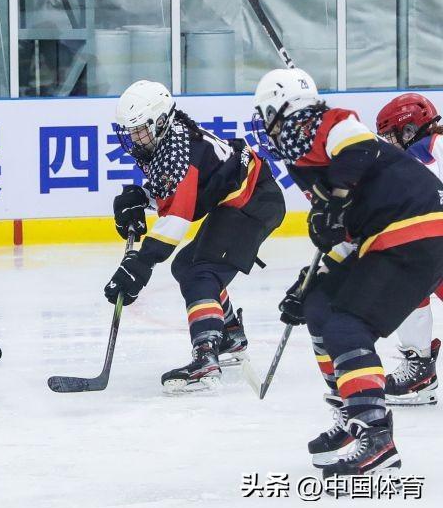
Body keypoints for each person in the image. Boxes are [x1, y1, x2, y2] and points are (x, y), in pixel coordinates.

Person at [254, 68, 443, 477]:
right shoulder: (305, 159)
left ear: (280, 111)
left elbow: (359, 147)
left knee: (345, 326)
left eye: (265, 116)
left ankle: (376, 435)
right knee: (319, 304)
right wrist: (311, 278)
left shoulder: (327, 123)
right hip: (389, 235)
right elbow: (342, 235)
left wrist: (331, 199)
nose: (263, 126)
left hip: (414, 230)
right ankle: (352, 410)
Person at [104, 80, 285, 391]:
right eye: (130, 131)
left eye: (140, 130)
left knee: (201, 272)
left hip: (253, 201)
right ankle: (228, 334)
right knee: (186, 265)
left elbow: (177, 219)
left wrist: (141, 264)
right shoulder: (169, 140)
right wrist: (141, 198)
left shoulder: (179, 153)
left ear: (160, 121)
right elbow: (180, 194)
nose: (134, 137)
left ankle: (206, 355)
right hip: (242, 200)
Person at [375, 92, 443, 405]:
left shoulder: (421, 150)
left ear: (409, 129)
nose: (391, 143)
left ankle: (420, 371)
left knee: (403, 279)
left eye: (392, 135)